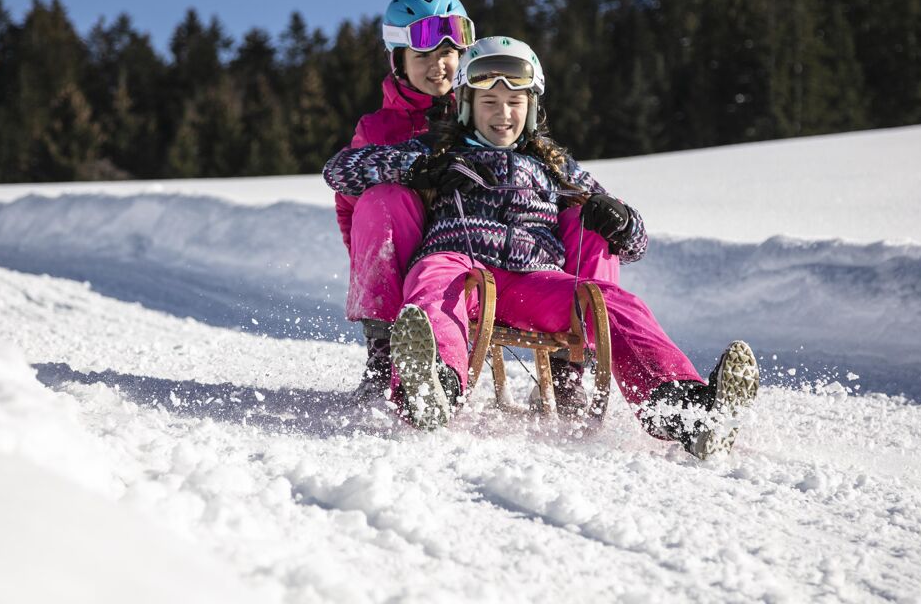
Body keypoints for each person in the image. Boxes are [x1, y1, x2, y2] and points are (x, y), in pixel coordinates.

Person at [324, 36, 759, 459]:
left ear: (531, 110)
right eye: (489, 104)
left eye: (514, 104)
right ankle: (433, 387)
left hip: (536, 278)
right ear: (465, 107)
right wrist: (423, 166)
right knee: (432, 285)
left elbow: (634, 245)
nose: (502, 115)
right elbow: (340, 171)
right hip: (462, 262)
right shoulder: (441, 149)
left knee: (613, 303)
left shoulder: (551, 164)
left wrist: (624, 222)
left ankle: (685, 409)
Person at [335, 0, 619, 403]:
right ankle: (389, 359)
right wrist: (379, 264)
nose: (439, 66)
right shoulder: (381, 129)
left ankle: (572, 365)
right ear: (398, 62)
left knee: (588, 217)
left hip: (505, 251)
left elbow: (549, 172)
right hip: (422, 256)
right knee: (383, 200)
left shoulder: (487, 104)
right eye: (423, 56)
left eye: (449, 53)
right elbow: (348, 198)